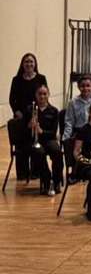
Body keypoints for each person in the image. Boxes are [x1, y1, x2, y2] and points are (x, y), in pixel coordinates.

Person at [9, 53, 49, 182]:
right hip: (21, 117)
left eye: (31, 62)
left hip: (36, 115)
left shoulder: (41, 78)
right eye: (26, 62)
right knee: (21, 143)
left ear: (35, 64)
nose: (29, 64)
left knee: (36, 142)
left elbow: (44, 95)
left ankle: (36, 172)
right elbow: (12, 99)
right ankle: (22, 173)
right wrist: (16, 111)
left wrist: (40, 112)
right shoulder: (16, 79)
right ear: (22, 64)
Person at [62, 75, 91, 172]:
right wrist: (66, 139)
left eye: (88, 85)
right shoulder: (73, 102)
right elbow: (69, 122)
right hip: (80, 132)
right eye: (82, 86)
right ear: (78, 87)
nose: (85, 88)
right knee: (72, 144)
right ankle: (77, 170)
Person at [25, 85, 62, 195]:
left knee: (57, 152)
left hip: (49, 139)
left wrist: (41, 131)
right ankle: (46, 179)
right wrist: (29, 125)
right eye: (40, 94)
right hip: (34, 141)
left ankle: (56, 181)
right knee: (38, 152)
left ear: (48, 95)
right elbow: (23, 131)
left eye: (44, 94)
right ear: (36, 95)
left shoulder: (54, 111)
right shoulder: (29, 109)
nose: (42, 96)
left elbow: (53, 133)